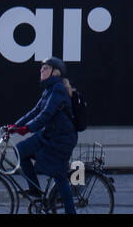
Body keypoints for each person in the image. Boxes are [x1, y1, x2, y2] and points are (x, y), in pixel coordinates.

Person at [5, 56, 78, 213]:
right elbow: (35, 111)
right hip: (49, 135)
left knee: (59, 176)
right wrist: (15, 126)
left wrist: (26, 129)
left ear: (55, 72)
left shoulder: (58, 89)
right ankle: (35, 190)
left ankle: (70, 212)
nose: (41, 70)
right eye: (41, 68)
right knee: (20, 150)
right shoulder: (49, 89)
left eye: (45, 68)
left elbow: (46, 114)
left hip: (61, 139)